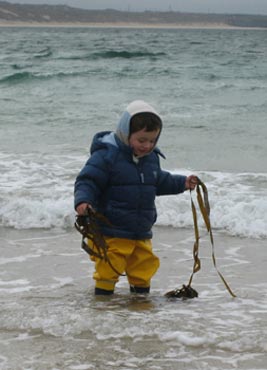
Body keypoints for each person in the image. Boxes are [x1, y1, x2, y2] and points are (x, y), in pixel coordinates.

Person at [74, 100, 198, 295]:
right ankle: (102, 306)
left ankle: (140, 307)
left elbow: (159, 180)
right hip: (111, 229)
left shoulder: (151, 158)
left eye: (152, 141)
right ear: (126, 133)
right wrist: (83, 201)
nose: (147, 145)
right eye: (142, 140)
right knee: (108, 269)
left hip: (141, 230)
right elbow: (88, 180)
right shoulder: (107, 156)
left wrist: (183, 183)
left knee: (143, 267)